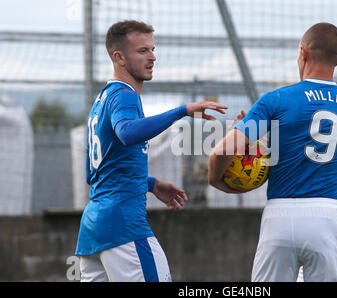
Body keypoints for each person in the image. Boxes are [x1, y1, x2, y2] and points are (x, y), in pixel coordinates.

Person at [75, 20, 227, 282]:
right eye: (142, 51)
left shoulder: (101, 101)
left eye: (153, 49)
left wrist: (150, 183)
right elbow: (128, 132)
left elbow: (95, 175)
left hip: (92, 233)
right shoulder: (124, 95)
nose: (153, 56)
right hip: (124, 229)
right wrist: (182, 111)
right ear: (119, 57)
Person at [208, 23, 337, 282]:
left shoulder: (276, 100)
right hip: (326, 216)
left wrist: (217, 180)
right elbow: (312, 141)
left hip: (279, 215)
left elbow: (223, 150)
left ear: (302, 52)